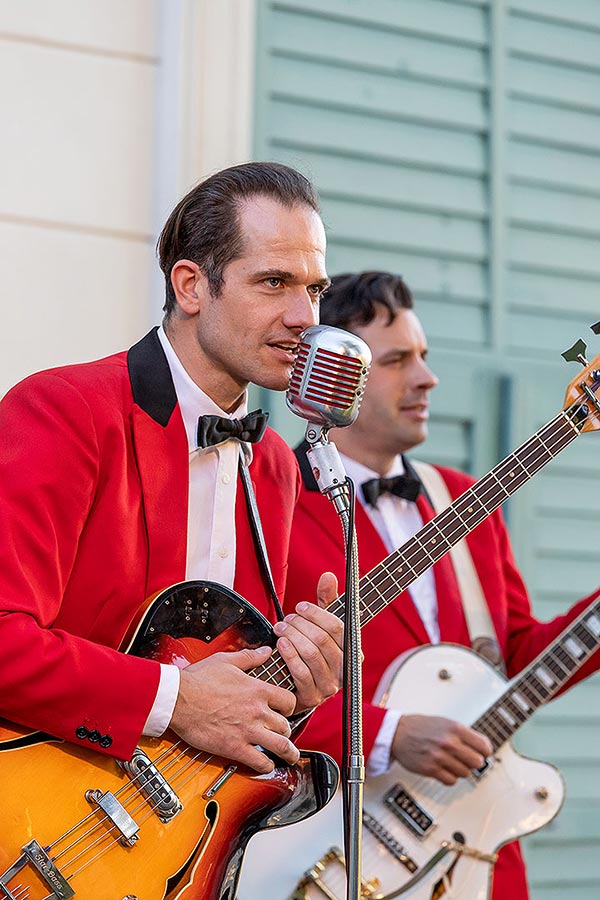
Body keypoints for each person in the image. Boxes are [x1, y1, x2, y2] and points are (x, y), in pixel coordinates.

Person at [0, 161, 343, 778]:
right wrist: (174, 699)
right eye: (273, 282)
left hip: (174, 858)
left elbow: (228, 704)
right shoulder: (65, 410)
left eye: (313, 289)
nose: (305, 317)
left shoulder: (274, 467)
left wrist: (299, 689)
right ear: (190, 286)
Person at [284, 271, 600, 900]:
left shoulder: (458, 496)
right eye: (397, 360)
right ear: (337, 375)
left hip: (473, 855)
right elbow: (248, 691)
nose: (426, 378)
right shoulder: (273, 502)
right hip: (323, 850)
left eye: (423, 357)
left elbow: (512, 652)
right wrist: (386, 734)